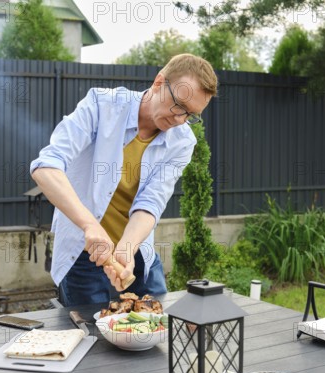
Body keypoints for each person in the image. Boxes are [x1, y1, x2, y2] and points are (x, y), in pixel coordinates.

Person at [30, 54, 218, 307]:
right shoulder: (101, 105)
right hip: (84, 252)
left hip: (136, 248)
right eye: (178, 106)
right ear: (159, 82)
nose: (180, 120)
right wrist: (90, 226)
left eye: (191, 115)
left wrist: (126, 249)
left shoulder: (182, 140)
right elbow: (46, 166)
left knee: (155, 327)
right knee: (90, 333)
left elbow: (151, 201)